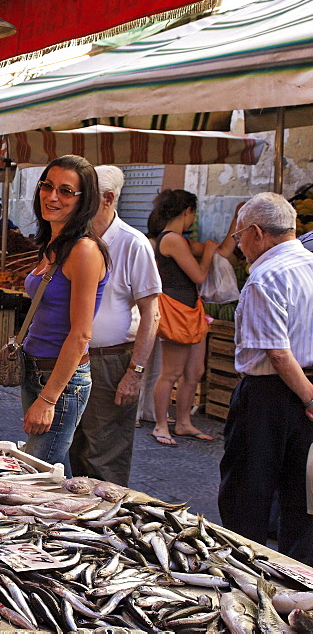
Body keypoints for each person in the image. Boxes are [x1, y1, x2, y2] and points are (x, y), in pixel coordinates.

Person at [218, 192, 313, 564]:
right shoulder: (309, 264)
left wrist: (308, 398)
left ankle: (243, 569)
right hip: (303, 391)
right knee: (301, 496)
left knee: (247, 492)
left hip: (269, 396)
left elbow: (277, 352)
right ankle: (297, 578)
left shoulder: (265, 276)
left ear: (258, 233)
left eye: (240, 236)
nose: (238, 245)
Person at [69, 166, 160, 485]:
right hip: (70, 356)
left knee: (105, 455)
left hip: (110, 361)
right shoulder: (74, 238)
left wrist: (134, 373)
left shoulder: (133, 243)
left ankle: (104, 527)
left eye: (85, 197)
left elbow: (152, 314)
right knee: (72, 447)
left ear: (107, 199)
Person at [19, 155, 109, 470]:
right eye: (47, 186)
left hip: (60, 379)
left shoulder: (84, 250)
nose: (52, 196)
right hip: (36, 369)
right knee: (50, 467)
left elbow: (81, 333)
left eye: (66, 191)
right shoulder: (53, 244)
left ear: (85, 201)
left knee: (39, 469)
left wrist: (48, 398)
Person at [147, 189, 234, 446]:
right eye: (193, 215)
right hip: (176, 310)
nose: (193, 220)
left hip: (192, 310)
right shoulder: (171, 239)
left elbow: (223, 252)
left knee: (195, 372)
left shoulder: (182, 240)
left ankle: (184, 423)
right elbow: (198, 275)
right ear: (187, 212)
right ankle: (161, 424)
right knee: (171, 372)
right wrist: (207, 254)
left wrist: (237, 220)